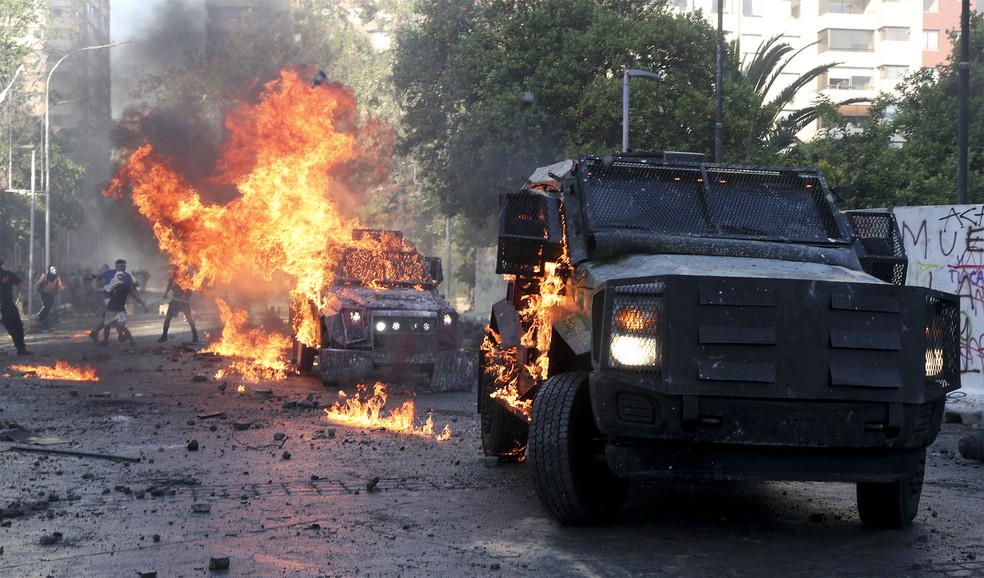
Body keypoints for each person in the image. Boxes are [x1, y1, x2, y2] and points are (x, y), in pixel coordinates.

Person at [94, 271, 148, 346]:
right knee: (107, 326)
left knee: (121, 325)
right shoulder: (111, 286)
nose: (120, 278)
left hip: (120, 310)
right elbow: (100, 290)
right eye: (119, 276)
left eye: (121, 276)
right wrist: (95, 285)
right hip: (111, 310)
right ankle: (105, 341)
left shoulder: (125, 287)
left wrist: (143, 305)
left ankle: (131, 341)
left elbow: (135, 296)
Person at [89, 259, 135, 343]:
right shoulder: (109, 272)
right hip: (109, 298)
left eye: (124, 266)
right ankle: (119, 335)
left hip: (120, 299)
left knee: (110, 318)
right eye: (121, 266)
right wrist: (94, 277)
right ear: (116, 266)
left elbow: (131, 288)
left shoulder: (127, 275)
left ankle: (98, 334)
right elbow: (99, 276)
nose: (123, 268)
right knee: (112, 317)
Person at [0, 258, 33, 355]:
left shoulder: (7, 275)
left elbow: (20, 283)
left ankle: (21, 349)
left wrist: (24, 296)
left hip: (7, 305)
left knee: (17, 326)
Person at [158, 266, 198, 343]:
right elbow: (169, 287)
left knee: (189, 319)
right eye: (175, 271)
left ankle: (195, 336)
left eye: (177, 271)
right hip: (175, 302)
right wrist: (165, 294)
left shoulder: (186, 280)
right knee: (168, 318)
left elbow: (190, 292)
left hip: (184, 303)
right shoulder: (172, 280)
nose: (175, 272)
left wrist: (184, 297)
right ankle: (164, 336)